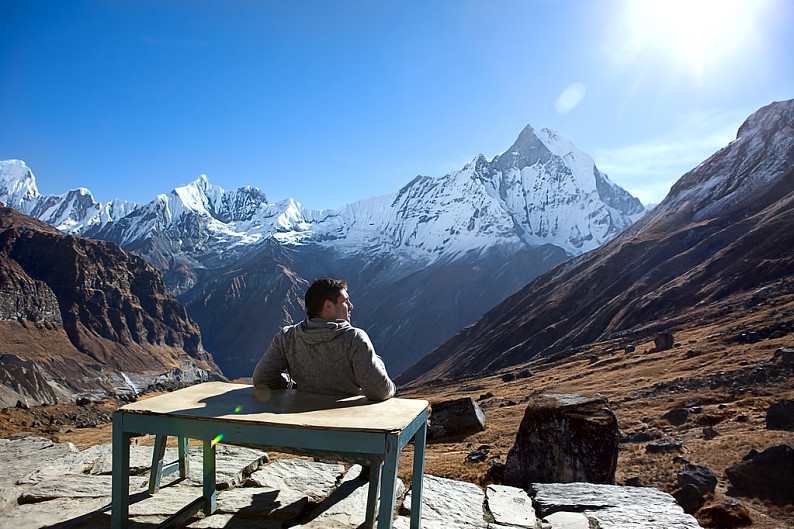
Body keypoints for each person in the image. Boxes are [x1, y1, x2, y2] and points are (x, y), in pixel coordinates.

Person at [252, 278, 395, 401]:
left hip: (299, 422)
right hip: (346, 424)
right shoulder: (354, 338)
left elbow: (262, 379)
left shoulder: (287, 337)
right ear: (328, 306)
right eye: (345, 301)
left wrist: (291, 384)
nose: (351, 306)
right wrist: (379, 364)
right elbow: (379, 391)